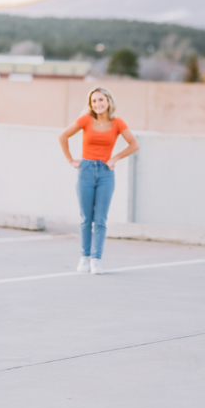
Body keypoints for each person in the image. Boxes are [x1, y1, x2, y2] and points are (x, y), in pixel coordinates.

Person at [58, 86, 139, 274]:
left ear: (108, 101)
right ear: (90, 105)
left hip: (105, 173)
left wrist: (115, 158)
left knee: (100, 219)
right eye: (94, 101)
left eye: (101, 100)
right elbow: (63, 136)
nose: (98, 104)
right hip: (85, 170)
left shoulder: (117, 123)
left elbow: (135, 144)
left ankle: (96, 259)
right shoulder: (86, 120)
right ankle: (84, 257)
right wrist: (71, 159)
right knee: (86, 218)